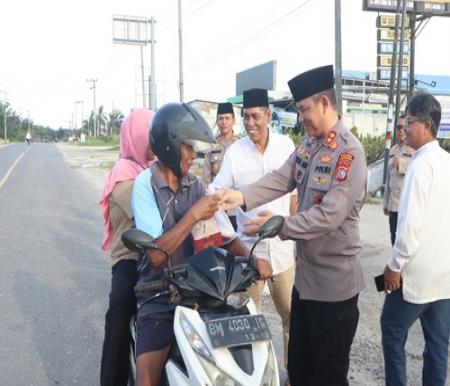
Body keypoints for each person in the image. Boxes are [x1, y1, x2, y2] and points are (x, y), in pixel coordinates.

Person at [217, 65, 367, 386]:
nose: (301, 118)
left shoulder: (348, 153)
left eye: (304, 110)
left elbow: (329, 215)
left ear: (324, 103)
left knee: (327, 377)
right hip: (306, 285)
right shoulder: (309, 146)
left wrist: (279, 225)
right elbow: (281, 179)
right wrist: (240, 196)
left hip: (335, 291)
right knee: (299, 371)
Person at [130, 102, 272, 386]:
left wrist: (253, 261)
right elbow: (157, 256)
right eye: (188, 147)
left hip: (200, 293)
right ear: (170, 146)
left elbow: (228, 236)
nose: (193, 155)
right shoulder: (145, 185)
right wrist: (194, 214)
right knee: (147, 379)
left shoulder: (196, 185)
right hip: (159, 295)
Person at [212, 88, 296, 371]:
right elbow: (217, 195)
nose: (250, 123)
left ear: (269, 115)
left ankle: (291, 373)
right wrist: (231, 237)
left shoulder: (286, 147)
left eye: (255, 116)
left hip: (284, 250)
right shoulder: (235, 153)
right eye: (245, 117)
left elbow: (296, 197)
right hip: (249, 252)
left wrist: (291, 227)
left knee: (290, 318)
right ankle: (252, 375)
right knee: (246, 321)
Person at [381, 92, 450, 386]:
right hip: (444, 275)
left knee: (391, 329)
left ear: (425, 125)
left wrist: (395, 265)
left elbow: (408, 228)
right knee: (438, 344)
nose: (405, 128)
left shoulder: (419, 166)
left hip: (417, 274)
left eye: (408, 122)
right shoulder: (446, 161)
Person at [99, 108, 154, 386]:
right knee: (119, 316)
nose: (153, 142)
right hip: (130, 260)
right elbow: (146, 211)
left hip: (157, 258)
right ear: (135, 137)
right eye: (149, 135)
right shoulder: (123, 173)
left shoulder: (151, 170)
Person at [203, 102, 238, 229]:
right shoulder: (211, 147)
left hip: (236, 208)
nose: (224, 122)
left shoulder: (241, 145)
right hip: (217, 208)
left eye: (227, 118)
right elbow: (206, 180)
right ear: (217, 121)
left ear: (233, 120)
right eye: (221, 118)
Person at [383, 114, 414, 246]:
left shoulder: (414, 150)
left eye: (404, 127)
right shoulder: (393, 150)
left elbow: (413, 168)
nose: (401, 130)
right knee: (393, 239)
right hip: (393, 205)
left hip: (405, 204)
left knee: (403, 241)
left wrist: (399, 162)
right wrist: (385, 203)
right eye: (398, 127)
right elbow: (389, 177)